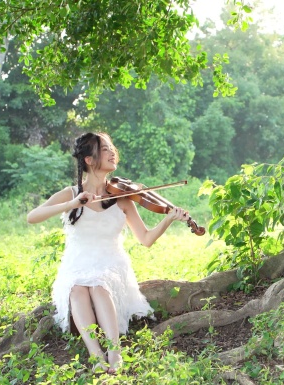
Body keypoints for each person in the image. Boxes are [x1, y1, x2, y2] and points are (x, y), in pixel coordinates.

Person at [27, 132, 190, 374]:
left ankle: (115, 353)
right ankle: (96, 354)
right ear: (89, 160)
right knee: (77, 289)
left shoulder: (123, 198)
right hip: (77, 264)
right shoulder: (70, 194)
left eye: (112, 147)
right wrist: (73, 204)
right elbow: (32, 217)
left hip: (111, 263)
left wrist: (168, 219)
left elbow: (145, 239)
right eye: (104, 149)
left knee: (99, 285)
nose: (112, 152)